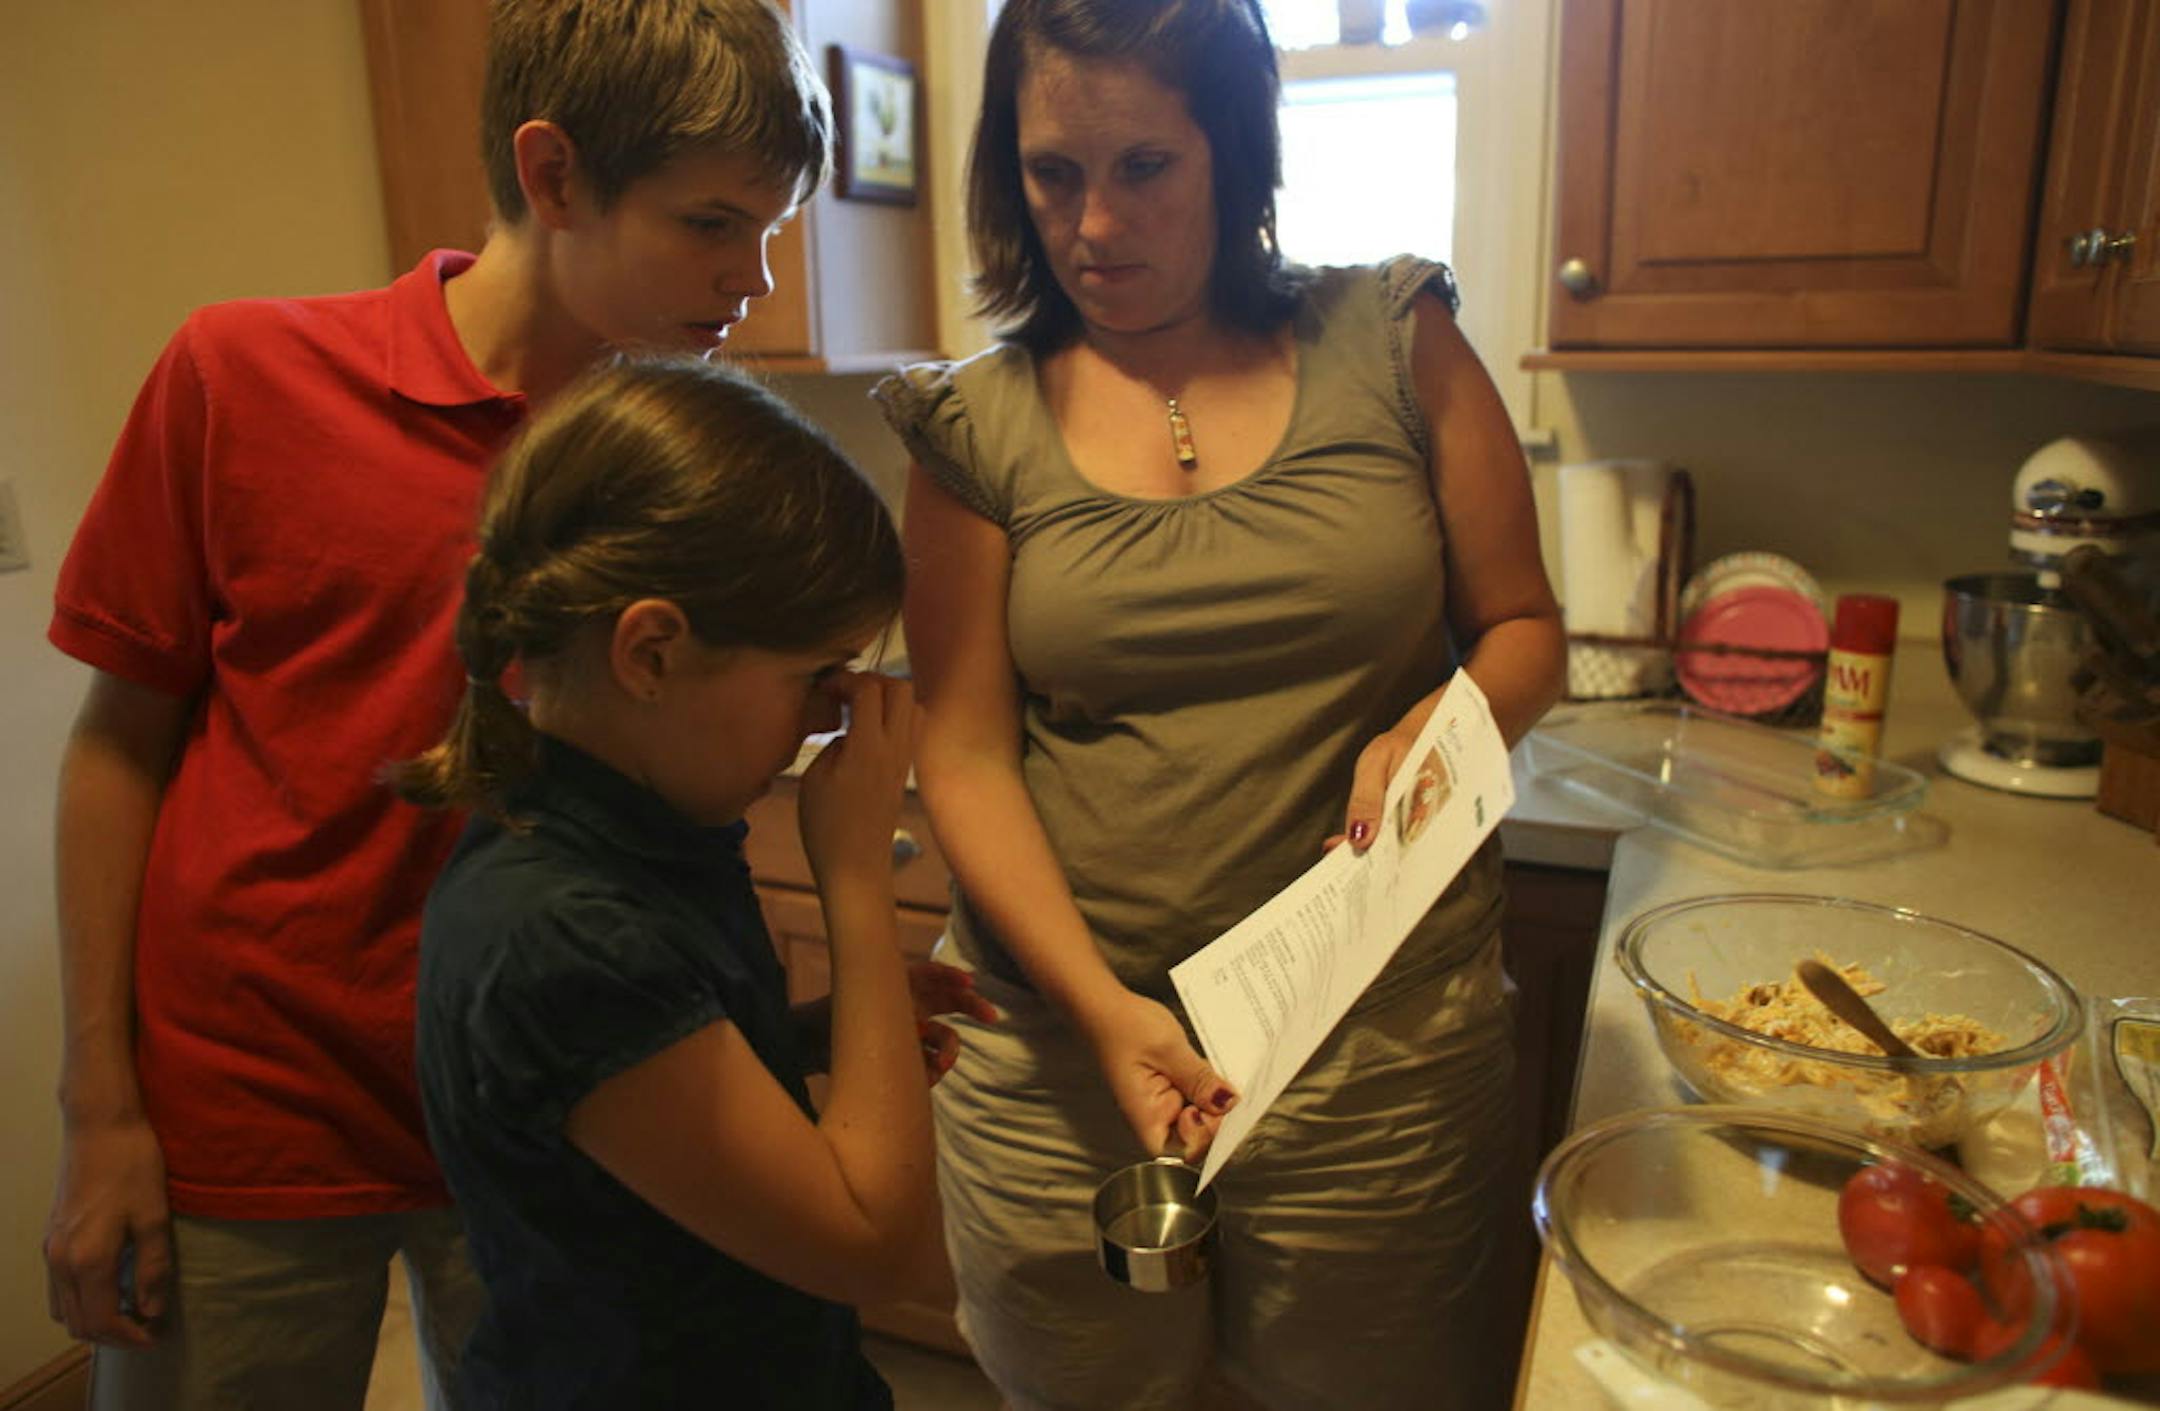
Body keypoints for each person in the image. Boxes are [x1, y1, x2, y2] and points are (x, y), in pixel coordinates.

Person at [42, 3, 830, 1404]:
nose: (753, 276)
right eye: (712, 222)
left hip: (553, 1104)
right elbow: (117, 748)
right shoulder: (242, 375)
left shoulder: (674, 469)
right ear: (553, 173)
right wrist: (98, 1106)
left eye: (768, 228)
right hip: (253, 1106)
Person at [876, 0, 1566, 1407]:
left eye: (1146, 166)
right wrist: (1104, 1010)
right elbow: (965, 752)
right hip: (1064, 1071)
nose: (1093, 225)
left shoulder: (1395, 336)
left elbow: (1524, 629)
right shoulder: (971, 425)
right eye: (1052, 172)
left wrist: (1443, 726)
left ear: (1233, 152)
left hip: (1379, 1061)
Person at [399, 355, 983, 1409]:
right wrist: (854, 881)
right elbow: (872, 1245)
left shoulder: (639, 824)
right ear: (653, 653)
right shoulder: (559, 931)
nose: (834, 713)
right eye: (815, 674)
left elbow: (635, 1091)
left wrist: (814, 1032)